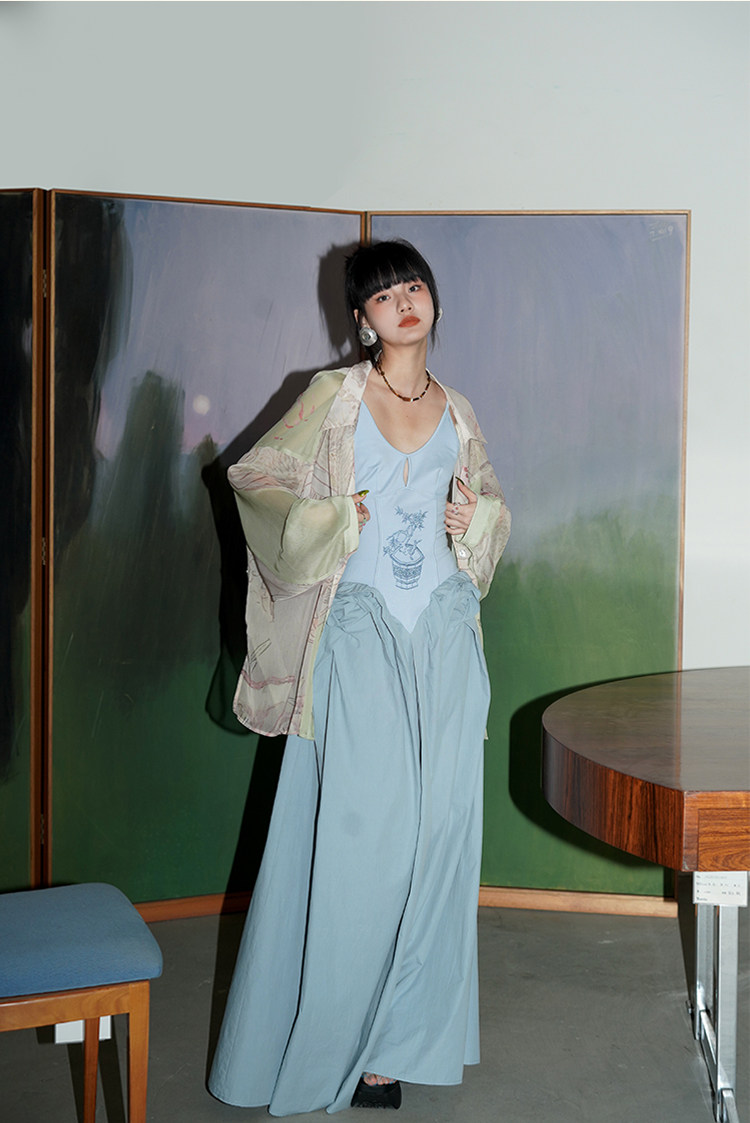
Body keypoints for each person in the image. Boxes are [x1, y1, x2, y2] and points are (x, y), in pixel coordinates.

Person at [208, 240, 511, 1115]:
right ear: (362, 319)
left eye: (414, 286)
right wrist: (334, 517)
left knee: (439, 841)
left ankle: (393, 1048)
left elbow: (493, 518)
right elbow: (254, 481)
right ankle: (335, 1038)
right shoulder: (333, 397)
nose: (403, 301)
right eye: (383, 295)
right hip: (361, 637)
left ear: (434, 300)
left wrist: (476, 518)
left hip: (446, 639)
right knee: (365, 845)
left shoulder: (459, 410)